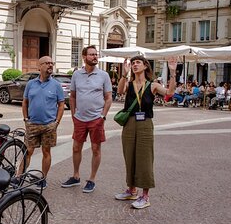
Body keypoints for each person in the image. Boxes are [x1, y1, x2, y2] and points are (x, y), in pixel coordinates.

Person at [114, 55, 177, 209]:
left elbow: (170, 93)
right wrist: (124, 73)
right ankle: (131, 190)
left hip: (145, 124)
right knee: (129, 156)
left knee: (145, 158)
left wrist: (173, 73)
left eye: (138, 63)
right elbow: (120, 91)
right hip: (129, 123)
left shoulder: (153, 85)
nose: (135, 65)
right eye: (133, 63)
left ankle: (145, 196)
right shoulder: (129, 84)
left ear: (145, 66)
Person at [61, 45, 112, 193]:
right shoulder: (77, 75)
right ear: (84, 57)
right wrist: (73, 115)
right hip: (80, 119)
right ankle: (75, 176)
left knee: (96, 149)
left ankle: (92, 179)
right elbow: (73, 96)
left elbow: (108, 98)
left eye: (96, 54)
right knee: (76, 147)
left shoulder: (104, 75)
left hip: (96, 118)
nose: (95, 57)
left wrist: (103, 116)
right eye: (91, 54)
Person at [20, 56, 65, 189]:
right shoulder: (31, 84)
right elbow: (25, 102)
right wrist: (26, 119)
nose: (50, 65)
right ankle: (19, 176)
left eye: (52, 63)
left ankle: (43, 179)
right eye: (47, 63)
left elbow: (61, 105)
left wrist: (56, 122)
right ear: (39, 67)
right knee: (28, 151)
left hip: (49, 125)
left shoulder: (56, 85)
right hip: (32, 124)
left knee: (46, 152)